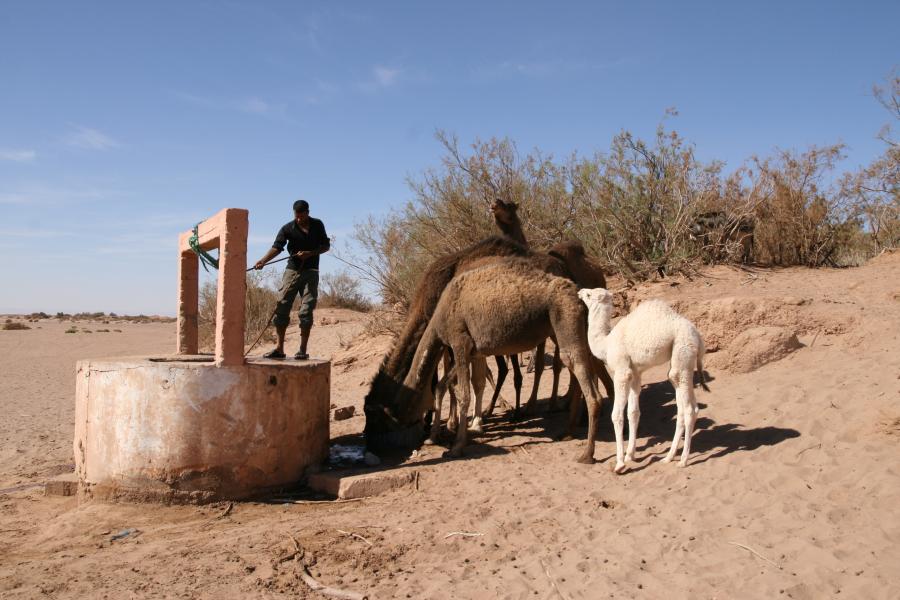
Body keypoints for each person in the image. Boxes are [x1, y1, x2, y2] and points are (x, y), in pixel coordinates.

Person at [254, 199, 330, 359]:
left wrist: (310, 253)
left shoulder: (318, 225)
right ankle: (279, 349)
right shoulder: (288, 228)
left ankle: (302, 351)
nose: (299, 219)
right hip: (292, 271)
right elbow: (277, 247)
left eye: (301, 216)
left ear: (307, 213)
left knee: (306, 310)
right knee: (282, 306)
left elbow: (326, 246)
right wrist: (263, 260)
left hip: (311, 272)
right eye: (296, 216)